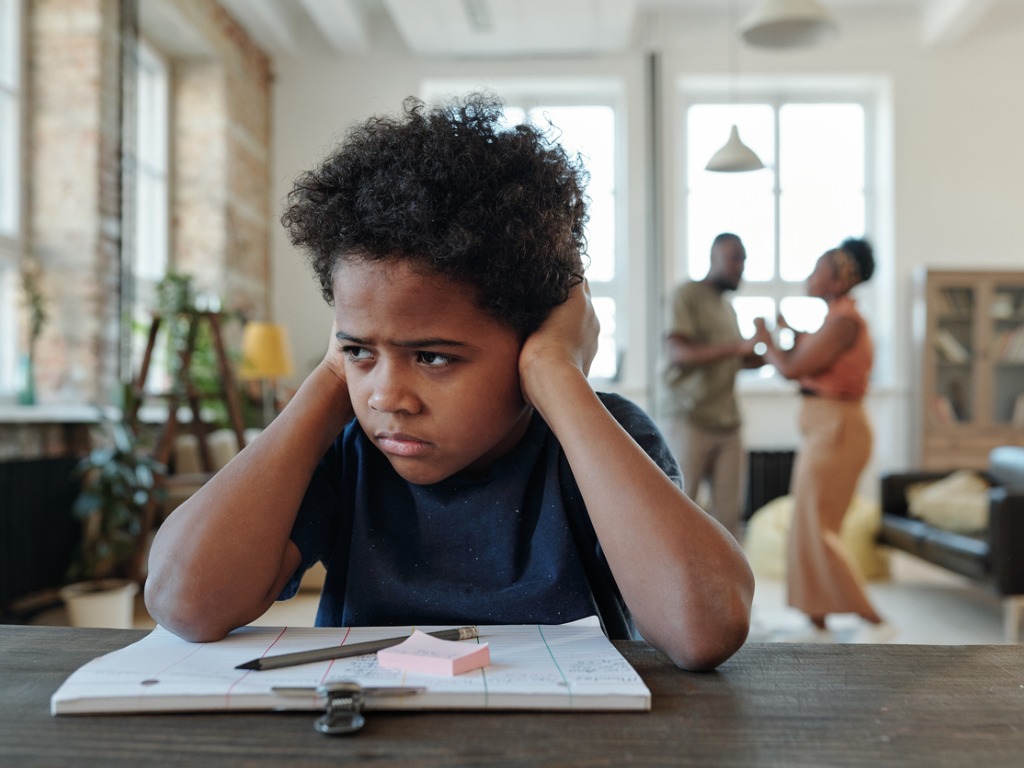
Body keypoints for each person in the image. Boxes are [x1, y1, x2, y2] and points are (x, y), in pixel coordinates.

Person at [145, 94, 754, 671]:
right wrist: (331, 378)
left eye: (433, 357)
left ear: (531, 338)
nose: (387, 397)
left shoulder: (599, 442)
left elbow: (706, 627)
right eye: (359, 350)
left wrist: (556, 374)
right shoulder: (347, 452)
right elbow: (183, 602)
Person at [752, 237, 887, 640]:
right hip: (826, 429)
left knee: (817, 527)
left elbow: (793, 368)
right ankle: (818, 620)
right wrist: (786, 335)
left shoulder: (845, 321)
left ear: (838, 277)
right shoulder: (834, 320)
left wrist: (765, 339)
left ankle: (873, 618)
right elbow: (810, 356)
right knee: (808, 524)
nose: (810, 277)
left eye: (817, 269)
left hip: (839, 431)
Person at [664, 233, 762, 539]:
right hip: (690, 419)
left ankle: (724, 588)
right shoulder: (686, 295)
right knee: (679, 511)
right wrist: (739, 347)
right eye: (735, 258)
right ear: (713, 257)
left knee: (728, 522)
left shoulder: (727, 308)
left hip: (728, 425)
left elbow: (736, 358)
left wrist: (767, 348)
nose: (741, 267)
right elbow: (677, 354)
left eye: (744, 259)